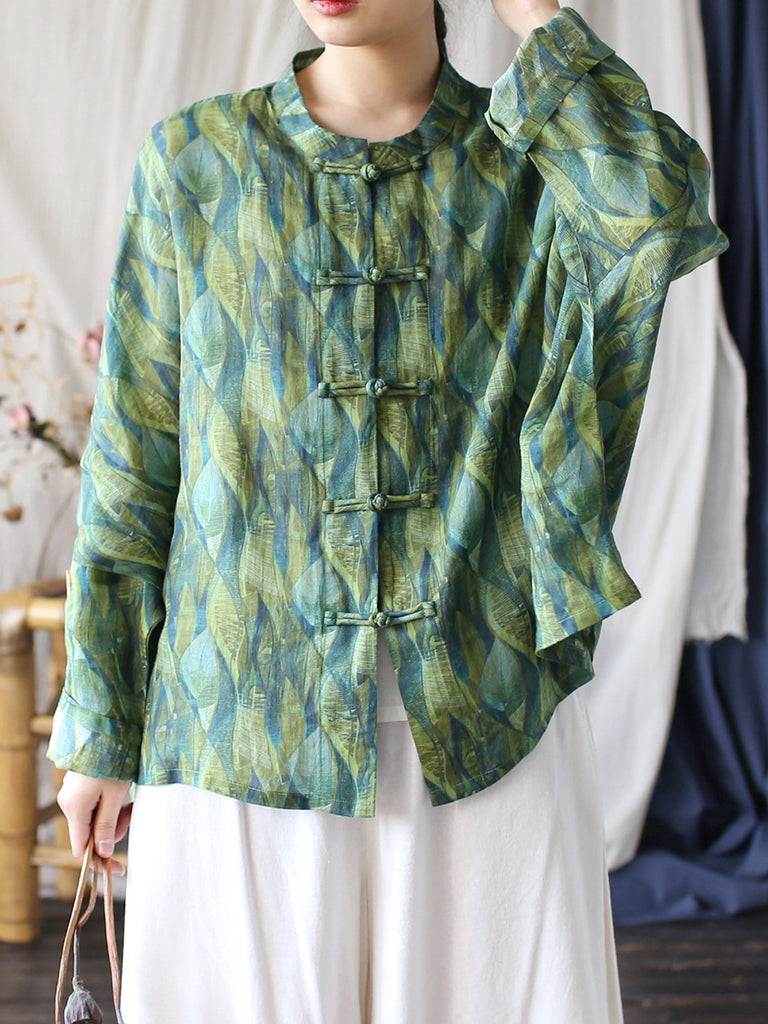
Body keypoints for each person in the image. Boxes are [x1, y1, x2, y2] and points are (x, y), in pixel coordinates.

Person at [48, 1, 727, 1021]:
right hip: (237, 737)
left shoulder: (530, 163)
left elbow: (657, 207)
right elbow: (133, 462)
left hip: (486, 729)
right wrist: (101, 726)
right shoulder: (197, 164)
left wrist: (537, 18)